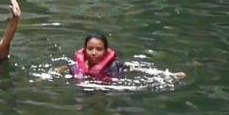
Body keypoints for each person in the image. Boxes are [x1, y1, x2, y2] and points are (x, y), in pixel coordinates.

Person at [58, 34, 186, 81]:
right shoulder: (75, 66)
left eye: (99, 49)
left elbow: (140, 69)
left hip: (109, 93)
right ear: (84, 50)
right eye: (90, 48)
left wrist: (169, 75)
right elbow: (58, 70)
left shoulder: (114, 65)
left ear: (106, 51)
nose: (93, 52)